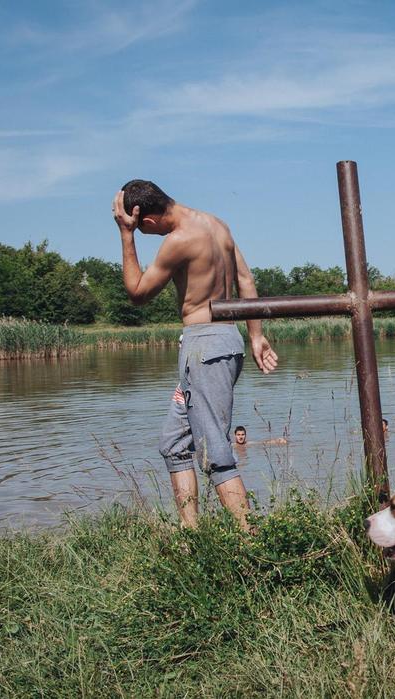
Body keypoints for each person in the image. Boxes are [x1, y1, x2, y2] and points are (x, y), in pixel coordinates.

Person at [112, 180, 278, 530]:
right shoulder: (217, 224)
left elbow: (137, 293)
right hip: (221, 343)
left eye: (141, 229)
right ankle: (191, 537)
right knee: (173, 442)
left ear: (147, 219)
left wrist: (126, 237)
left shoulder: (179, 240)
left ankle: (253, 542)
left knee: (216, 453)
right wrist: (256, 337)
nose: (144, 235)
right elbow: (246, 282)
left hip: (204, 349)